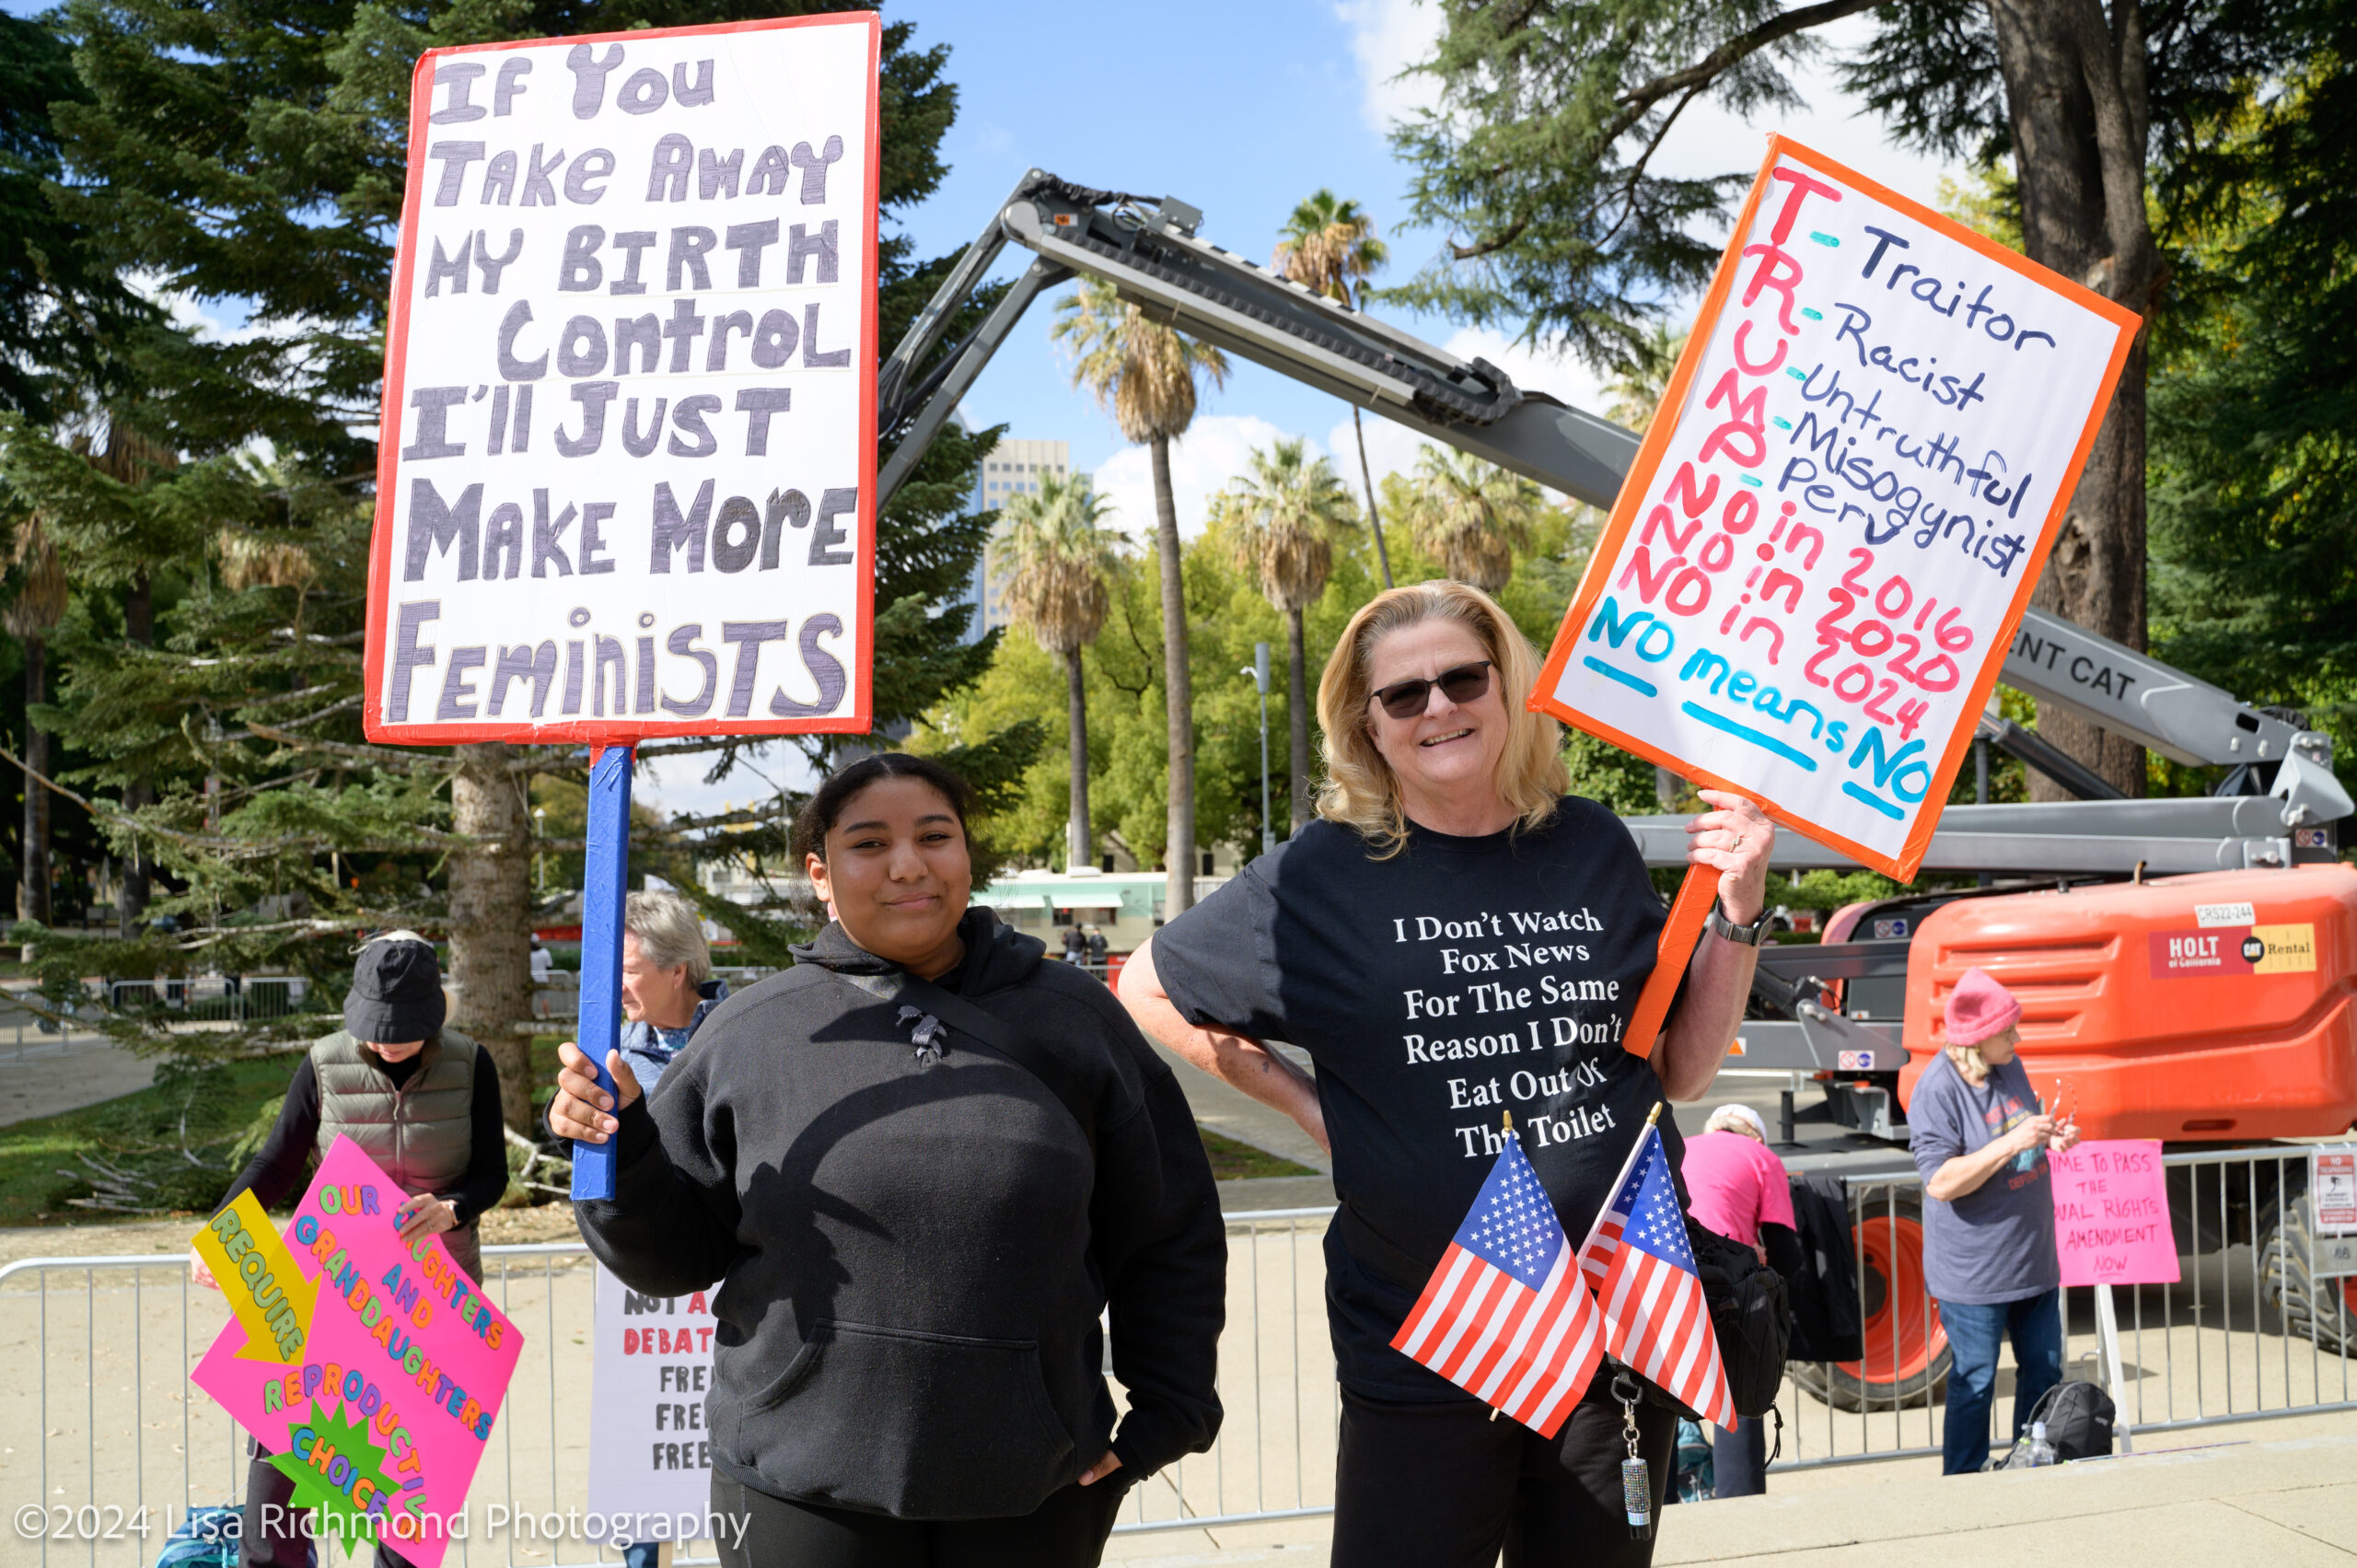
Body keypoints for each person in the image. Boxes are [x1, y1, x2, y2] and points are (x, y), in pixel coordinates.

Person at [1118, 580, 1773, 1567]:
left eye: (1462, 677)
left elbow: (1680, 1066)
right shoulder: (1319, 874)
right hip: (1426, 1334)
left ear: (1506, 687)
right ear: (1366, 725)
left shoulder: (1591, 841)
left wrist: (1737, 904)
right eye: (1403, 694)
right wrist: (1309, 1109)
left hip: (1612, 1327)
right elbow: (1146, 985)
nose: (1437, 706)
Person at [550, 752, 1225, 1568]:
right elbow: (671, 1257)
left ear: (966, 853)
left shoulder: (1077, 1021)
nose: (909, 863)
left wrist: (1169, 1407)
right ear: (821, 873)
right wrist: (620, 1148)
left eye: (934, 835)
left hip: (1032, 1487)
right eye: (869, 843)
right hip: (798, 1489)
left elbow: (1169, 1227)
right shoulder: (751, 1034)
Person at [193, 932, 505, 1568]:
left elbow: (492, 1173)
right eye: (375, 1025)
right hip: (327, 1303)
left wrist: (453, 1208)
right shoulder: (324, 1062)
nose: (388, 1040)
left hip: (431, 1319)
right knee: (273, 1503)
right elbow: (276, 1163)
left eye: (404, 1029)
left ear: (435, 1011)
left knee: (408, 1513)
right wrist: (221, 1233)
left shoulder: (473, 1065)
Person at [1910, 967, 2080, 1475]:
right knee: (1976, 1379)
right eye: (2010, 1032)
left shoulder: (2009, 1067)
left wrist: (2051, 1138)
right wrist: (2015, 1140)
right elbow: (1939, 1180)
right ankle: (1962, 1482)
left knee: (2044, 1370)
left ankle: (2032, 1465)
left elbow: (2024, 1132)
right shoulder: (1936, 1090)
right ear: (1980, 1039)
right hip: (1975, 1273)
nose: (2018, 1038)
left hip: (2032, 1261)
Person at [1678, 1103, 1795, 1498]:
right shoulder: (1763, 1157)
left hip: (1670, 1275)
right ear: (1756, 1136)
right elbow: (1785, 1250)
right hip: (1728, 1284)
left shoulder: (1686, 1145)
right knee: (1739, 1383)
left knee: (1669, 1392)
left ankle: (1664, 1502)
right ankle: (1739, 1499)